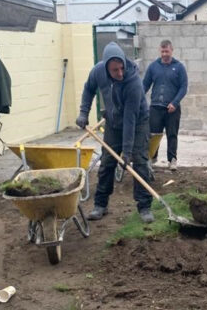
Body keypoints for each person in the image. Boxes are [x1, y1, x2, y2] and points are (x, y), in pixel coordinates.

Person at [76, 43, 154, 223]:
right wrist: (83, 112)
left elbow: (130, 118)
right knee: (107, 163)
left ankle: (144, 206)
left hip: (137, 122)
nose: (120, 73)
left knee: (140, 161)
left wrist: (127, 152)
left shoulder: (133, 82)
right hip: (113, 122)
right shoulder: (98, 72)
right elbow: (89, 89)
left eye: (121, 69)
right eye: (114, 70)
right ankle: (100, 205)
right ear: (106, 68)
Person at [143, 40, 188, 171]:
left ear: (171, 50)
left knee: (172, 134)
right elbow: (145, 85)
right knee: (153, 134)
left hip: (172, 109)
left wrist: (175, 102)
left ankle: (172, 160)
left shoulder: (179, 67)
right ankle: (152, 158)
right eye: (162, 51)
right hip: (156, 107)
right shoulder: (153, 67)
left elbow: (183, 87)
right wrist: (137, 98)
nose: (164, 54)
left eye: (166, 51)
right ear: (159, 51)